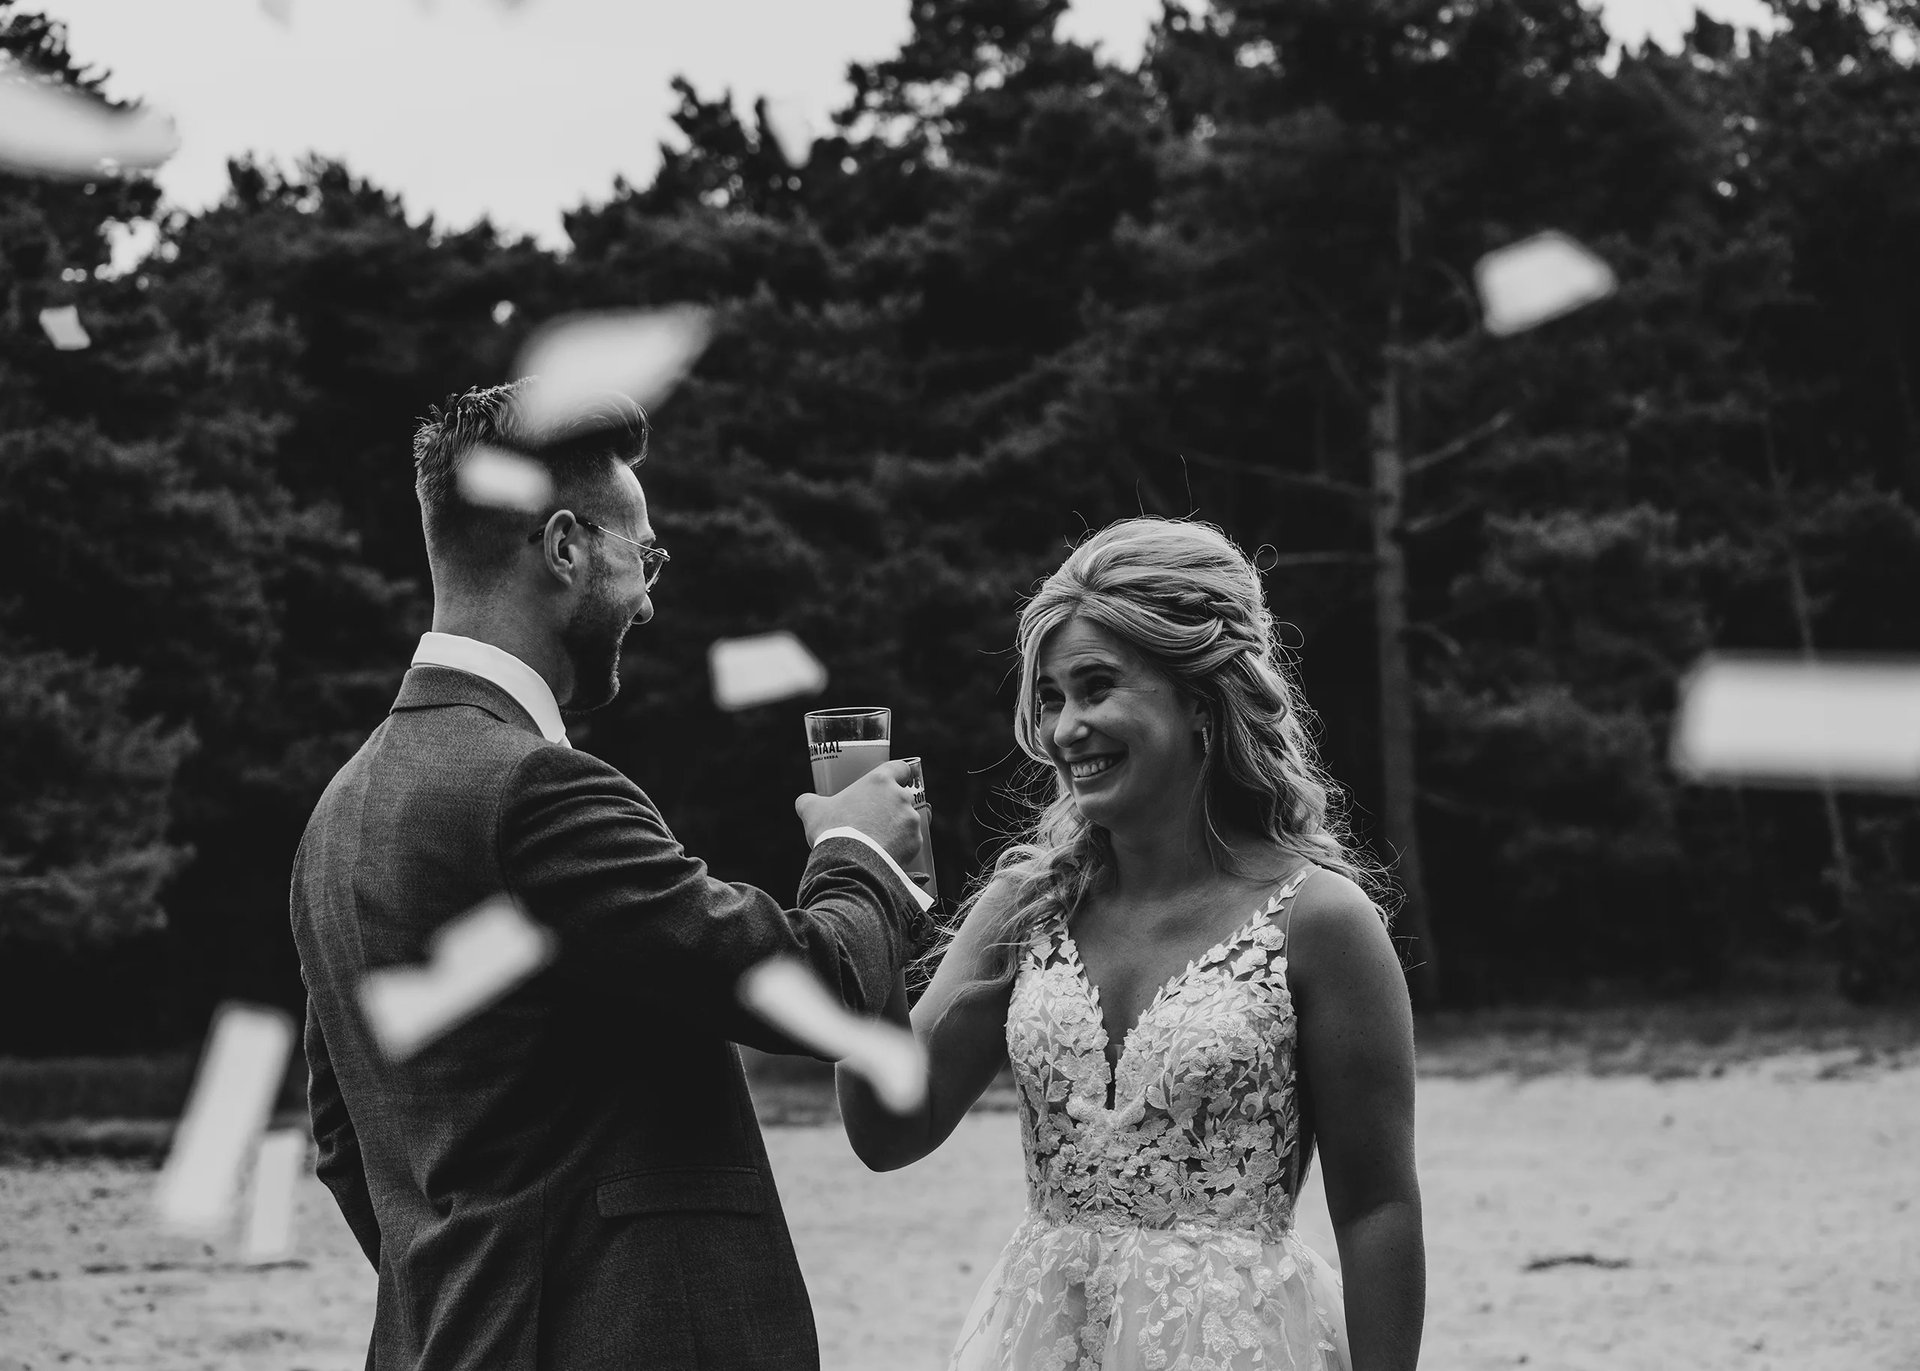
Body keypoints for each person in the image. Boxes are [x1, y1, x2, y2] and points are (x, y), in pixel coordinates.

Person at [289, 382, 933, 1371]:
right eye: (645, 555)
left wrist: (475, 1289)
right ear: (564, 548)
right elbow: (815, 988)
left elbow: (345, 1144)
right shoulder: (538, 789)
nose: (649, 597)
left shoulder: (334, 817)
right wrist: (861, 849)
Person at [838, 517, 1424, 1371]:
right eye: (1050, 698)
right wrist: (872, 899)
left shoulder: (1322, 922)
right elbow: (889, 1130)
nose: (1067, 726)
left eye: (1097, 686)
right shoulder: (1024, 906)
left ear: (1199, 696)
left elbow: (1378, 1209)